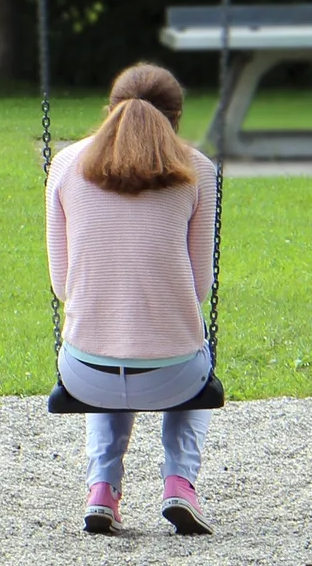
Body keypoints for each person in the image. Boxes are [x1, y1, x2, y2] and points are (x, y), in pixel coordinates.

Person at [44, 62, 217, 536]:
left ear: (110, 109)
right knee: (190, 346)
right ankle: (180, 483)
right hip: (175, 377)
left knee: (104, 342)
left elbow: (63, 286)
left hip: (86, 376)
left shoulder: (65, 164)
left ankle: (102, 488)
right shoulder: (198, 170)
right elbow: (199, 288)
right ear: (176, 118)